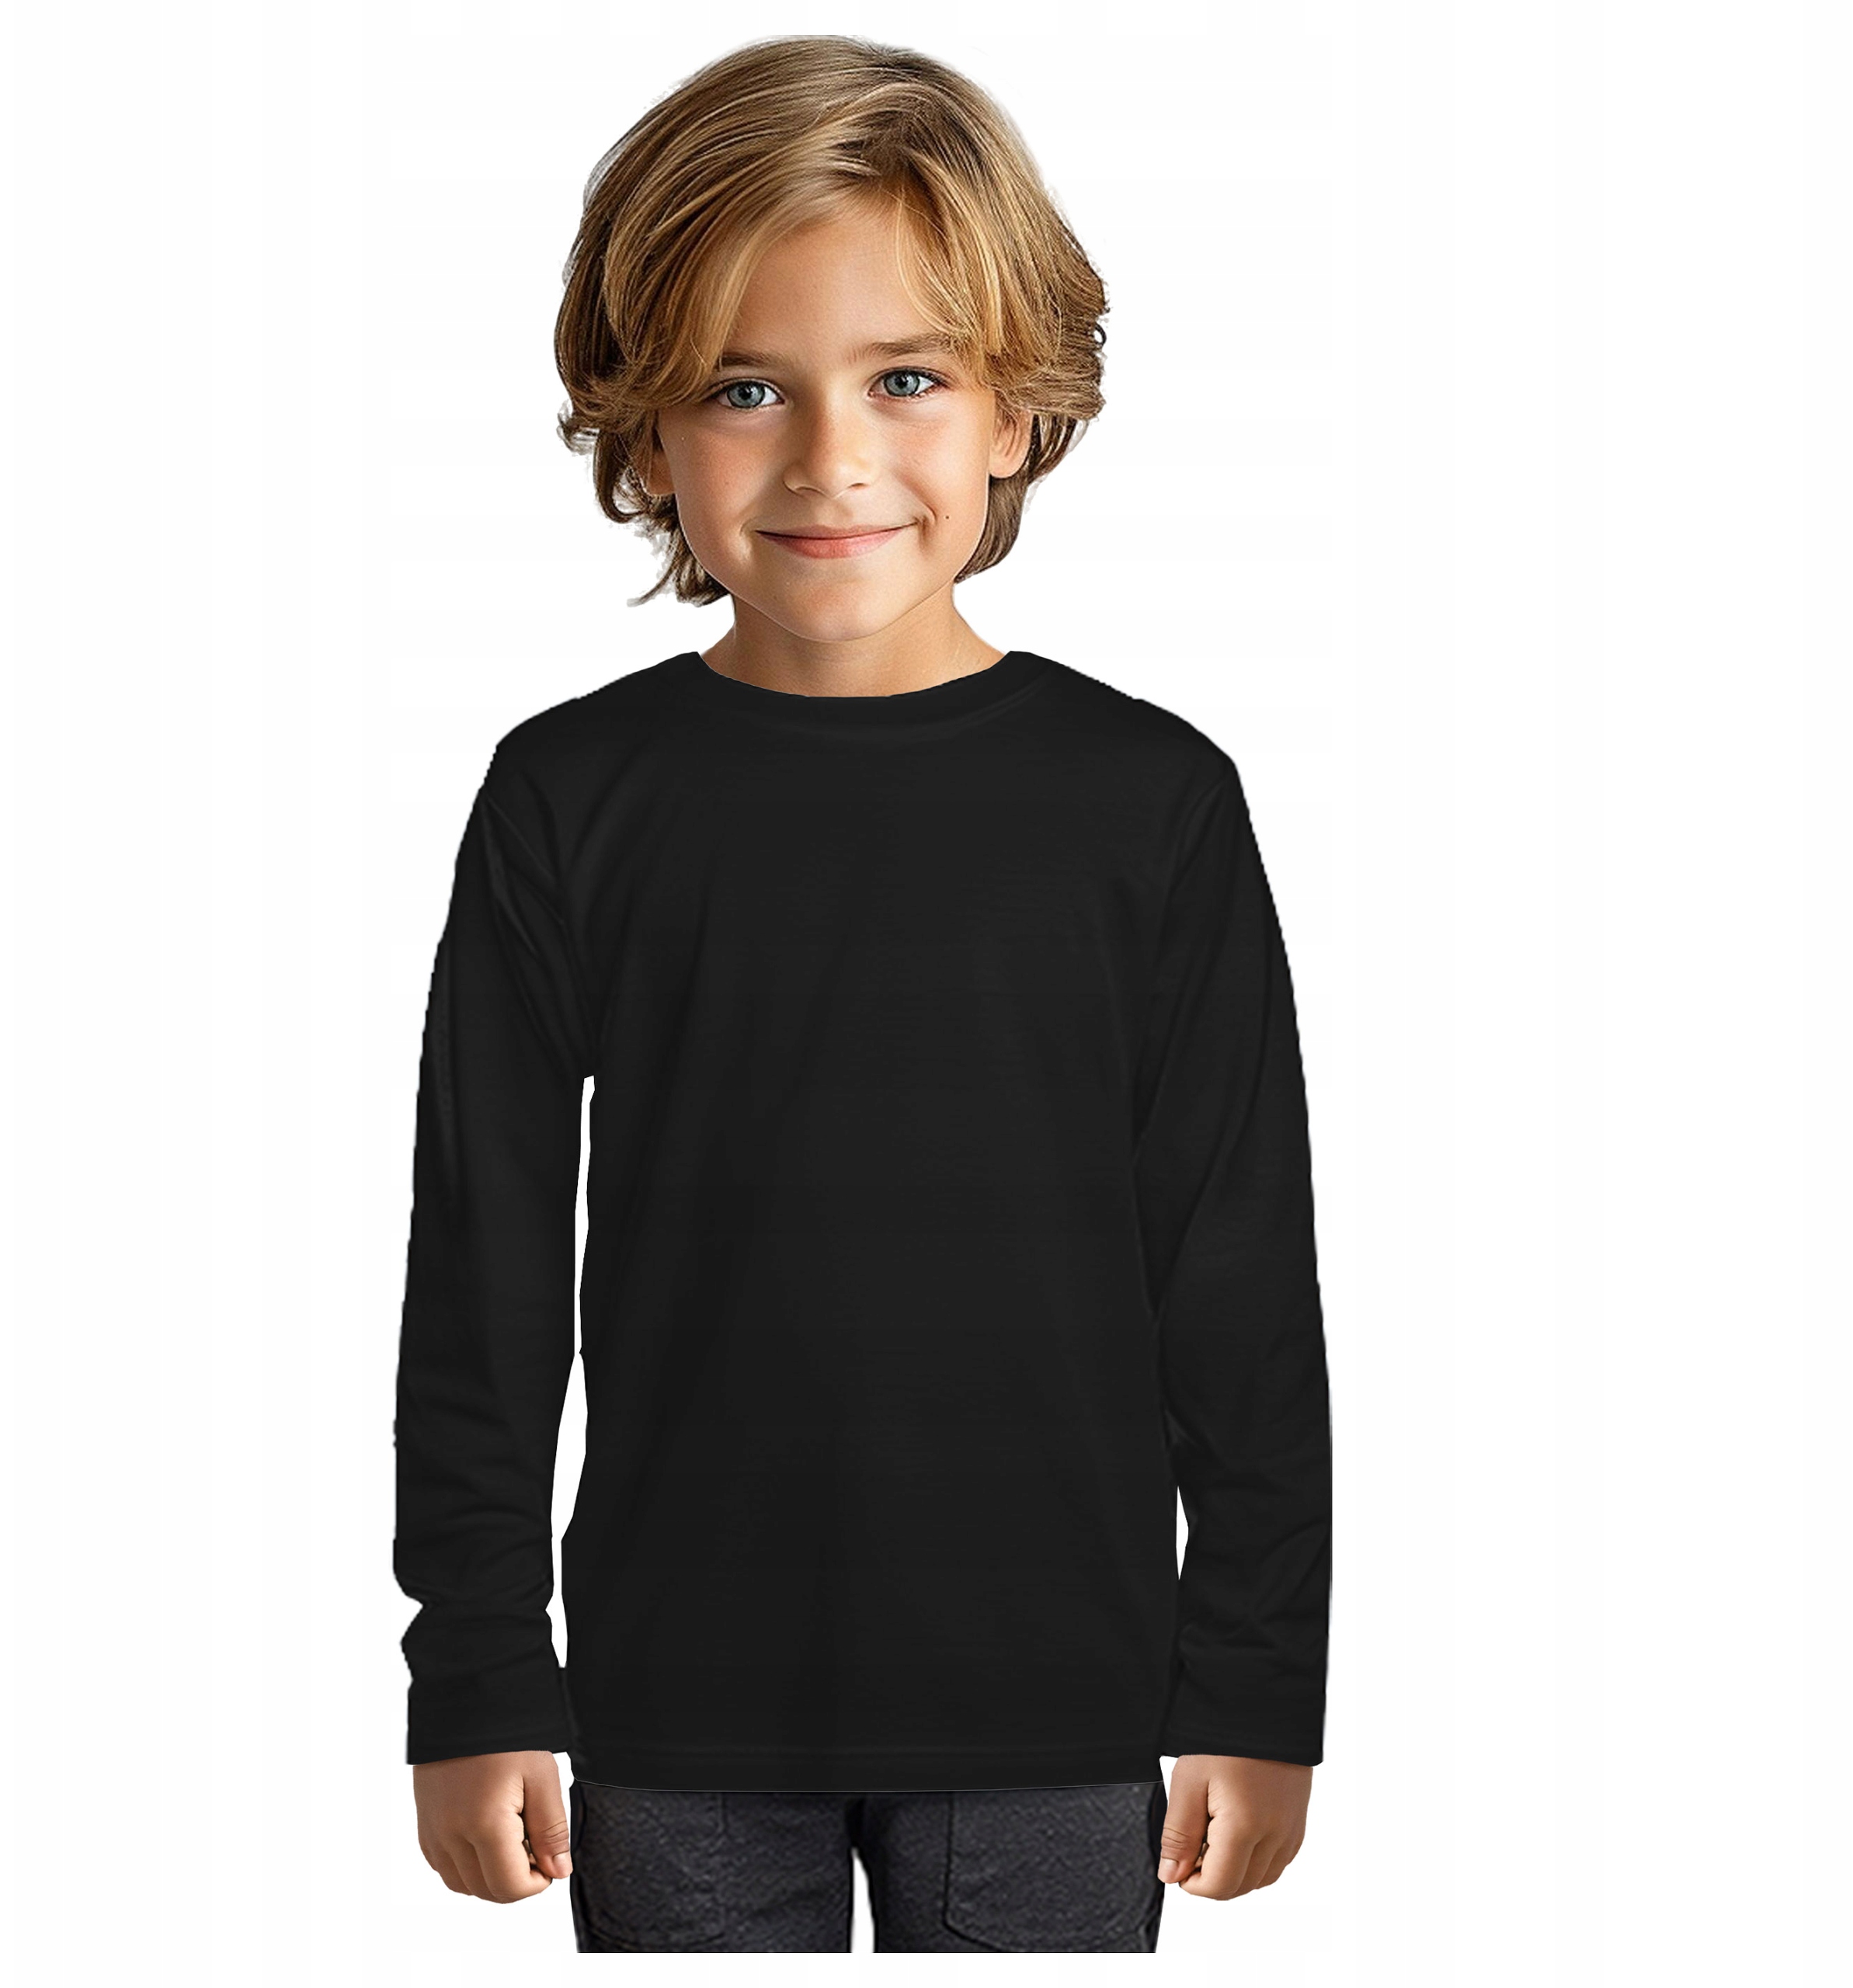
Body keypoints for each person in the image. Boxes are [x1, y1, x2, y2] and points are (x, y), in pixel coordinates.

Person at [392, 34, 1332, 1954]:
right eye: (744, 386)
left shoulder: (1150, 803)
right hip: (674, 1703)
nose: (828, 458)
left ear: (1014, 411)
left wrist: (1251, 1674)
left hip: (1057, 1705)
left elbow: (1235, 1272)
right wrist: (475, 1666)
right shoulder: (569, 797)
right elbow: (483, 1265)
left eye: (905, 377)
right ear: (644, 432)